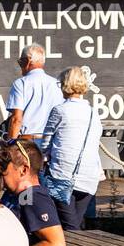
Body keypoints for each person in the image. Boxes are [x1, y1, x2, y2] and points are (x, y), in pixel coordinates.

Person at [0, 138, 69, 246]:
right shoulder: (17, 195)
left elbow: (57, 245)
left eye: (4, 168)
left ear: (23, 170)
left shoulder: (34, 197)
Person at [41, 66, 103, 232]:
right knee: (74, 222)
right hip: (89, 177)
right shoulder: (93, 113)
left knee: (69, 227)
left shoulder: (60, 111)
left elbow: (45, 144)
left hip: (62, 174)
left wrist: (43, 157)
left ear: (64, 85)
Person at [5, 44, 63, 143]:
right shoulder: (57, 84)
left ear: (28, 61)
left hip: (28, 143)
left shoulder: (21, 83)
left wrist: (10, 144)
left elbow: (16, 119)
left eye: (21, 62)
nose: (20, 66)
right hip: (52, 142)